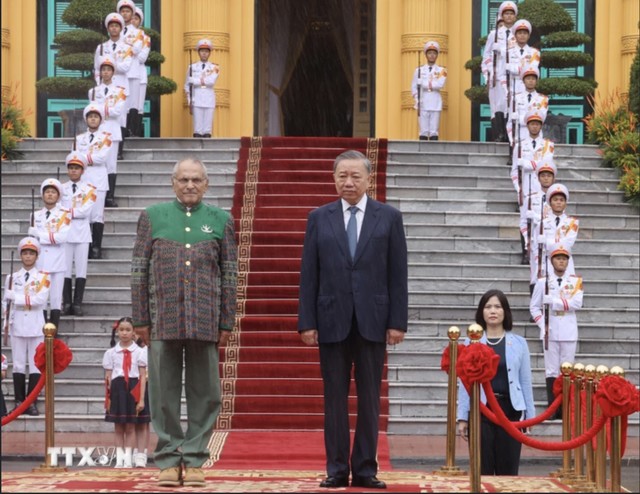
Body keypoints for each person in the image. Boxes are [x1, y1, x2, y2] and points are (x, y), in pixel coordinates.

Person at [298, 150, 408, 489]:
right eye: (342, 176)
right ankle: (335, 468)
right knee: (334, 398)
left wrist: (397, 321)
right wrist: (307, 322)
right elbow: (309, 273)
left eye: (355, 176)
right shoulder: (319, 217)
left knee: (370, 398)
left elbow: (397, 273)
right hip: (331, 318)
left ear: (367, 178)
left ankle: (364, 467)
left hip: (374, 319)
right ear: (334, 179)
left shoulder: (388, 217)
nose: (348, 182)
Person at [131, 157, 238, 487]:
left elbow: (231, 275)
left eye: (196, 180)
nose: (189, 185)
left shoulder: (221, 220)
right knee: (162, 393)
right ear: (172, 182)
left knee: (205, 393)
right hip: (163, 319)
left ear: (206, 184)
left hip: (205, 321)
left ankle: (194, 458)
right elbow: (138, 271)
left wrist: (226, 321)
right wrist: (140, 319)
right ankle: (167, 458)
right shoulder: (152, 217)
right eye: (183, 180)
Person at [457, 289, 536, 476]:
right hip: (481, 411)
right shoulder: (472, 342)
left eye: (498, 307)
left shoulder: (519, 343)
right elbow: (465, 382)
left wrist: (530, 416)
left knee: (508, 471)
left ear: (505, 312)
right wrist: (462, 417)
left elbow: (525, 380)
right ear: (481, 312)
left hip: (510, 411)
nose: (493, 311)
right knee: (481, 470)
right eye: (488, 307)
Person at [530, 243, 583, 418]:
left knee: (567, 370)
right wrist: (542, 325)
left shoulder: (575, 282)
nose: (561, 262)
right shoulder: (543, 282)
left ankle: (566, 407)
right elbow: (534, 308)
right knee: (551, 370)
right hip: (550, 330)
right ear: (552, 261)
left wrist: (554, 302)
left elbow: (577, 303)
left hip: (568, 329)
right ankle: (553, 409)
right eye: (558, 258)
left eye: (564, 259)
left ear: (568, 262)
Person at [2, 237, 50, 416]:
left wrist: (16, 298)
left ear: (36, 256)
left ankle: (32, 402)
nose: (28, 256)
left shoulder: (44, 277)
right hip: (18, 323)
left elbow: (40, 300)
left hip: (36, 324)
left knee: (36, 365)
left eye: (31, 253)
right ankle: (19, 401)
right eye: (25, 253)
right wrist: (6, 321)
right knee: (19, 365)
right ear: (21, 255)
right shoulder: (12, 278)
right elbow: (4, 303)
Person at [103, 316, 148, 468]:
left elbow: (142, 375)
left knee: (130, 426)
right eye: (121, 330)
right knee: (118, 426)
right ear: (117, 332)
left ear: (134, 332)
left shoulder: (140, 352)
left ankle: (129, 457)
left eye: (128, 330)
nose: (124, 333)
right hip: (117, 389)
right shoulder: (111, 353)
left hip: (134, 388)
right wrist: (107, 398)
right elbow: (108, 378)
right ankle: (120, 457)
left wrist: (141, 399)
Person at [511, 110, 554, 265]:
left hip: (544, 189)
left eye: (537, 124)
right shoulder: (520, 146)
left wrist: (529, 164)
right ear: (527, 126)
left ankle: (542, 251)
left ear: (541, 126)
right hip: (526, 189)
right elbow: (514, 170)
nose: (534, 127)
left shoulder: (548, 145)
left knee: (543, 219)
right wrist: (518, 188)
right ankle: (526, 252)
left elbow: (546, 164)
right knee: (524, 221)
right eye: (532, 124)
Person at [28, 179, 71, 331]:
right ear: (42, 195)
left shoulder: (64, 214)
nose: (50, 195)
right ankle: (40, 328)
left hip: (57, 262)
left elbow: (61, 237)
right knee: (40, 297)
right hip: (40, 262)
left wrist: (39, 235)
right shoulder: (35, 215)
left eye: (53, 192)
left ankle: (54, 330)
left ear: (58, 195)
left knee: (55, 298)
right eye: (47, 192)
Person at [76, 102, 114, 259]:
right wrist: (87, 159)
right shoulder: (79, 138)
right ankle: (87, 244)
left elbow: (102, 157)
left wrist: (85, 158)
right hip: (83, 179)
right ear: (86, 120)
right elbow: (75, 158)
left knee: (97, 215)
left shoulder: (106, 138)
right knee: (84, 213)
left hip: (98, 179)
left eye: (95, 117)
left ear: (101, 120)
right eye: (90, 117)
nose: (93, 119)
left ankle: (97, 246)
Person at [60, 151, 97, 316]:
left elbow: (85, 211)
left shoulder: (89, 189)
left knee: (81, 269)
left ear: (83, 171)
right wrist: (70, 212)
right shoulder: (61, 189)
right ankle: (67, 302)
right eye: (71, 168)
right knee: (65, 269)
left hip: (82, 232)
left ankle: (77, 303)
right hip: (66, 233)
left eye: (77, 168)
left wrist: (68, 212)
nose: (73, 171)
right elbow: (58, 209)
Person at [482, 1, 518, 142]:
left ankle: (509, 134)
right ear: (502, 16)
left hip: (512, 76)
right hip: (497, 75)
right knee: (497, 105)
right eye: (506, 14)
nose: (509, 16)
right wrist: (489, 73)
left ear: (515, 16)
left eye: (511, 14)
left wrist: (502, 51)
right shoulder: (494, 34)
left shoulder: (519, 34)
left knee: (509, 104)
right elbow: (486, 55)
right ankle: (499, 134)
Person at [117, 0, 144, 138]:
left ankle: (129, 131)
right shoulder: (115, 30)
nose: (125, 14)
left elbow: (137, 49)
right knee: (120, 102)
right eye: (122, 11)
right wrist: (129, 46)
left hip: (133, 71)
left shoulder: (139, 33)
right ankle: (121, 130)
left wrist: (123, 46)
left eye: (127, 11)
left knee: (132, 103)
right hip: (119, 72)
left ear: (132, 13)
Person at [411, 40, 447, 140]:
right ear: (426, 55)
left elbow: (439, 84)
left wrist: (423, 83)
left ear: (437, 55)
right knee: (423, 131)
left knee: (434, 132)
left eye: (434, 53)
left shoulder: (442, 71)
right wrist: (417, 99)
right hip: (423, 102)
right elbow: (413, 87)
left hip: (435, 102)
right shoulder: (418, 70)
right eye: (429, 53)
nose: (432, 55)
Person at [184, 39, 220, 138]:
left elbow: (211, 81)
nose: (204, 54)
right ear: (199, 52)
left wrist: (195, 81)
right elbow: (187, 85)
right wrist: (189, 100)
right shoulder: (192, 67)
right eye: (202, 51)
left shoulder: (215, 67)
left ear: (209, 53)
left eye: (206, 51)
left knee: (207, 131)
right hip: (196, 98)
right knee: (197, 130)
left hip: (209, 99)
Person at [508, 66, 549, 146]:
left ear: (536, 81)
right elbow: (510, 121)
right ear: (523, 81)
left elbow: (541, 118)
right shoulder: (515, 98)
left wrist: (519, 118)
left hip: (536, 136)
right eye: (528, 78)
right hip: (518, 136)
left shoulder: (543, 99)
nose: (530, 81)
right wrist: (511, 139)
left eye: (533, 79)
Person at [131, 7, 151, 136]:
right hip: (126, 74)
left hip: (140, 73)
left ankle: (135, 131)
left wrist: (129, 52)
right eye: (132, 17)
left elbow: (142, 58)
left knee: (138, 105)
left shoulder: (145, 37)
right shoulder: (121, 34)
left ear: (140, 21)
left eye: (136, 18)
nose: (133, 20)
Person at [133, 326, 150, 468]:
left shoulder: (145, 350)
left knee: (145, 421)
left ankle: (142, 452)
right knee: (133, 421)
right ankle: (134, 450)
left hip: (147, 384)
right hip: (132, 384)